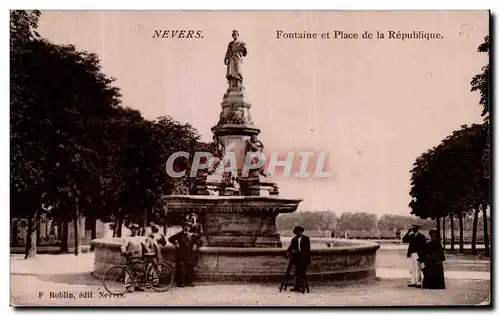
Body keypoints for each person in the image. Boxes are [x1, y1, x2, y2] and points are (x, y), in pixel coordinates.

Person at [168, 221, 195, 287]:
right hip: (180, 253)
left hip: (188, 254)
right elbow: (170, 239)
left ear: (190, 228)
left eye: (188, 227)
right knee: (180, 268)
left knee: (189, 268)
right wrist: (176, 243)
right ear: (183, 227)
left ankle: (188, 282)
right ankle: (180, 282)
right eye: (186, 226)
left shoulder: (190, 236)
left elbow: (192, 243)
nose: (187, 228)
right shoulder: (179, 234)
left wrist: (194, 245)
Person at [120, 223, 145, 292]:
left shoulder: (139, 238)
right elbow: (123, 246)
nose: (135, 231)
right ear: (131, 230)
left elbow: (144, 245)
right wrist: (125, 252)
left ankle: (137, 285)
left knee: (138, 271)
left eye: (136, 229)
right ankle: (128, 286)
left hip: (138, 256)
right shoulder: (127, 238)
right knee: (129, 271)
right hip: (131, 256)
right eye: (133, 229)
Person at [286, 226, 311, 293]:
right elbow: (290, 248)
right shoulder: (294, 239)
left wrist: (299, 253)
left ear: (301, 231)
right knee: (298, 271)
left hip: (304, 259)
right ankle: (297, 287)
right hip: (297, 259)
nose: (297, 234)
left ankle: (300, 287)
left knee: (299, 271)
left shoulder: (306, 239)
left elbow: (307, 250)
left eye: (298, 232)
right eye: (296, 233)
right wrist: (289, 252)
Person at [402, 224, 427, 288]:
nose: (413, 228)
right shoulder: (411, 235)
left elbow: (424, 246)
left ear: (417, 228)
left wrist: (421, 255)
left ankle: (418, 282)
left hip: (417, 254)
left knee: (417, 268)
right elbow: (404, 240)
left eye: (414, 227)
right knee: (412, 268)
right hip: (411, 254)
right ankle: (413, 281)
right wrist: (408, 232)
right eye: (412, 227)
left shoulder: (421, 236)